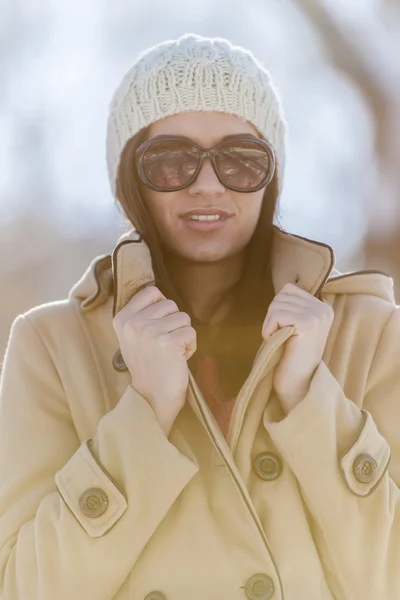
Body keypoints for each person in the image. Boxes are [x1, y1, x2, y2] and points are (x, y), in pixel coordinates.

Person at [0, 33, 399, 600]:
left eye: (240, 160)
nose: (208, 184)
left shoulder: (370, 334)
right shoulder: (51, 347)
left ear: (271, 176)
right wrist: (143, 416)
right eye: (171, 161)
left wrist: (311, 399)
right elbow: (24, 589)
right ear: (129, 181)